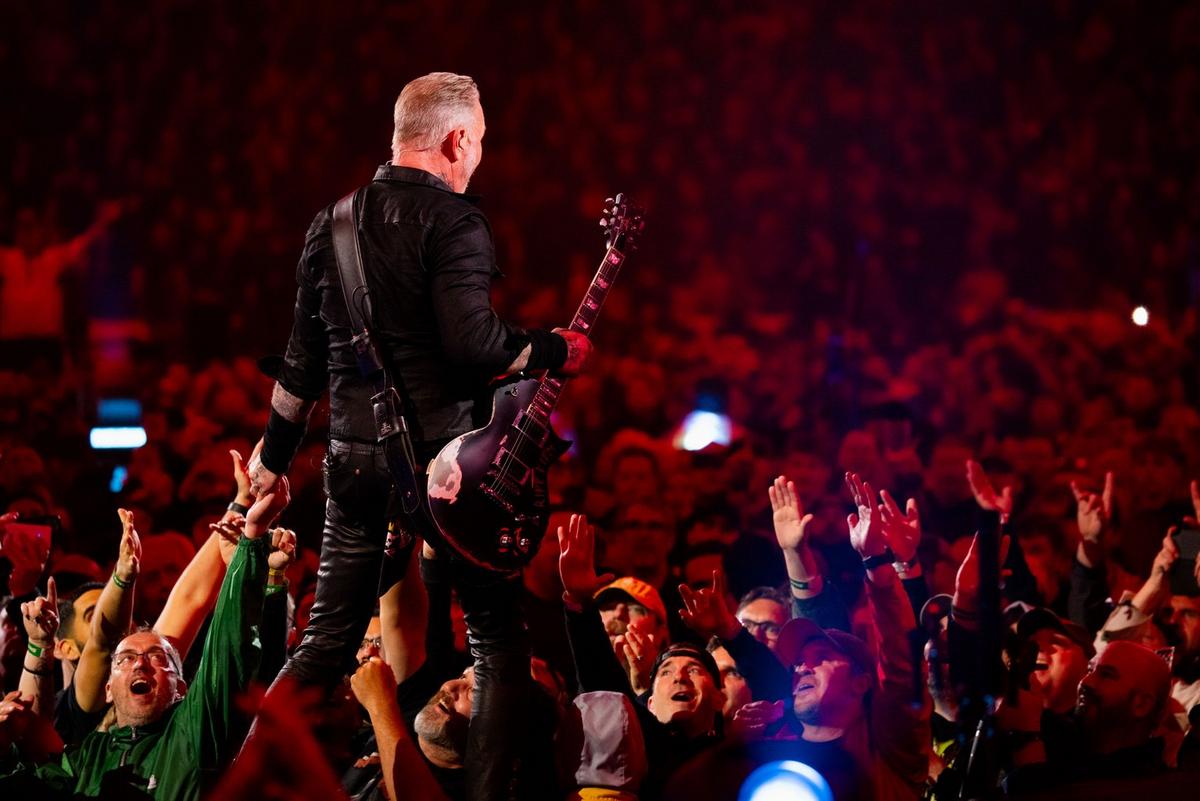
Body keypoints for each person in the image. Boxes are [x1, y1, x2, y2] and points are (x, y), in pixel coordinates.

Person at [243, 71, 592, 800]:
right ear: (457, 139)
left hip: (353, 464)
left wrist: (272, 459)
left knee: (326, 639)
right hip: (449, 471)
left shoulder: (331, 222)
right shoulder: (455, 221)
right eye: (481, 142)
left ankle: (239, 788)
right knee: (496, 641)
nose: (480, 158)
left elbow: (302, 364)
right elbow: (474, 344)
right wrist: (555, 349)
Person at [0, 479, 288, 799]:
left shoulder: (193, 732)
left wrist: (251, 542)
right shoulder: (85, 758)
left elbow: (223, 644)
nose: (139, 663)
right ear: (108, 688)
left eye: (157, 657)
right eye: (125, 659)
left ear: (181, 687)